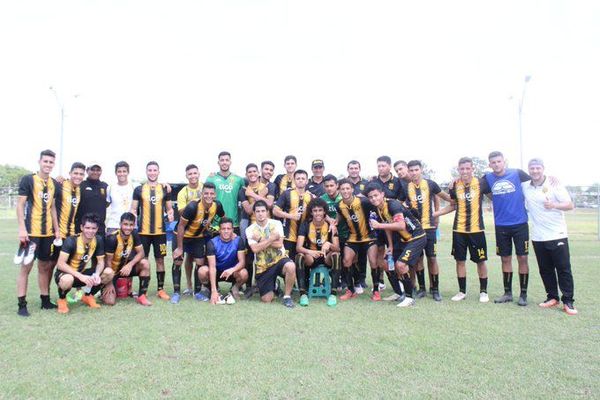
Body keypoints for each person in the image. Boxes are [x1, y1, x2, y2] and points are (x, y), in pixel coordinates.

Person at [523, 158, 577, 315]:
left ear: (543, 169)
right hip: (538, 236)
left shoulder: (554, 184)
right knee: (545, 269)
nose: (535, 171)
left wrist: (554, 205)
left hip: (557, 234)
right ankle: (552, 297)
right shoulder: (525, 186)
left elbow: (570, 205)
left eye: (538, 168)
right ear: (528, 170)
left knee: (563, 269)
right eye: (532, 168)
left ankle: (568, 301)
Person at [434, 157, 489, 303]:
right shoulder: (453, 186)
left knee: (481, 261)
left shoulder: (482, 183)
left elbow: (493, 196)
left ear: (472, 169)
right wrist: (435, 214)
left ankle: (483, 291)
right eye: (462, 169)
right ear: (458, 170)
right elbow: (453, 205)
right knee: (460, 261)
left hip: (477, 230)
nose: (465, 171)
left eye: (467, 168)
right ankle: (462, 291)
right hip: (459, 230)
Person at [480, 151, 531, 306]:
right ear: (489, 164)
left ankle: (523, 294)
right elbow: (473, 186)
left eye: (499, 161)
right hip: (501, 225)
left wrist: (550, 179)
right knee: (505, 258)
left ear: (504, 162)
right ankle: (507, 292)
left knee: (522, 257)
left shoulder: (517, 173)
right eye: (493, 162)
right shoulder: (487, 179)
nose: (496, 164)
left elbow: (535, 181)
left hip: (520, 223)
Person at [364, 182, 425, 307]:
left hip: (416, 237)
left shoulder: (393, 205)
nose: (373, 199)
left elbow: (401, 225)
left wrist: (379, 225)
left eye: (376, 195)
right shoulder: (379, 208)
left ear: (382, 194)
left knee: (401, 265)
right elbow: (388, 227)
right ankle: (398, 292)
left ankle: (409, 297)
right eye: (370, 197)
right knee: (385, 264)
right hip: (402, 240)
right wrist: (390, 246)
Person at [15, 149, 60, 316]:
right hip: (30, 233)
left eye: (51, 162)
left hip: (48, 234)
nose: (48, 164)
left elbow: (53, 208)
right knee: (26, 267)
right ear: (39, 162)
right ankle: (22, 304)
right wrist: (22, 229)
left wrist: (56, 230)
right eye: (45, 161)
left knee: (44, 266)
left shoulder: (54, 183)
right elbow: (20, 205)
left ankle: (45, 301)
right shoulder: (28, 179)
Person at [406, 160, 451, 301]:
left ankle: (435, 289)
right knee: (418, 260)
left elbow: (449, 199)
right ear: (408, 171)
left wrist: (436, 215)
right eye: (411, 170)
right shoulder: (406, 187)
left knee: (432, 258)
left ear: (421, 170)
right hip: (415, 231)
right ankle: (422, 289)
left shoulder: (430, 184)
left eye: (416, 170)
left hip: (430, 228)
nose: (414, 173)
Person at [172, 182, 225, 302]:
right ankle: (176, 293)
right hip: (181, 236)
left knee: (200, 262)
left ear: (215, 195)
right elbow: (180, 226)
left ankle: (197, 292)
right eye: (206, 193)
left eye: (211, 193)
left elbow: (223, 218)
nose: (208, 196)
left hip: (198, 237)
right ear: (202, 193)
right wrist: (179, 248)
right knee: (178, 260)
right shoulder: (192, 206)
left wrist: (218, 229)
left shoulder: (217, 205)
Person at [131, 161, 174, 300]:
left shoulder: (164, 189)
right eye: (150, 170)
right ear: (146, 172)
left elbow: (169, 209)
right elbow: (133, 208)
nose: (152, 172)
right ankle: (142, 290)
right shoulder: (139, 189)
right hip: (143, 232)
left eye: (155, 170)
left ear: (158, 172)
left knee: (160, 260)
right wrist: (132, 222)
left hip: (160, 233)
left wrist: (171, 215)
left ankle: (160, 290)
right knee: (143, 261)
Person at [54, 213, 114, 314]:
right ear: (82, 227)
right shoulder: (71, 241)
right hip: (65, 275)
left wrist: (96, 274)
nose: (90, 231)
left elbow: (100, 262)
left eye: (93, 228)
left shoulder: (98, 240)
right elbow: (60, 264)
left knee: (109, 272)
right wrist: (81, 276)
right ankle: (62, 299)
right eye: (87, 228)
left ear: (97, 228)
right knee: (68, 279)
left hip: (82, 274)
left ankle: (88, 296)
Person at [246, 200, 296, 308]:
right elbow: (255, 249)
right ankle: (276, 285)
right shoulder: (250, 229)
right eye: (258, 211)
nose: (260, 213)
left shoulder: (276, 224)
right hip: (263, 266)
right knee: (267, 299)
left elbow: (279, 244)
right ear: (254, 213)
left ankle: (287, 297)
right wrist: (271, 239)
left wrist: (260, 239)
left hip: (279, 259)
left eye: (263, 211)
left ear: (267, 212)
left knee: (291, 266)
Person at [335, 179, 379, 301]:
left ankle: (376, 290)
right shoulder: (339, 205)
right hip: (353, 237)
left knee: (373, 262)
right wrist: (334, 223)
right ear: (339, 190)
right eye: (342, 189)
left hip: (369, 237)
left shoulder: (363, 201)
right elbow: (339, 217)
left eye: (347, 188)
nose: (345, 191)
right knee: (346, 261)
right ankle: (350, 290)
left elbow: (377, 209)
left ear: (352, 189)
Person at [296, 198, 341, 307]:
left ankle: (333, 294)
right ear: (311, 212)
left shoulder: (331, 226)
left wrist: (329, 245)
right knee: (300, 256)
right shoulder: (305, 224)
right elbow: (298, 247)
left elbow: (338, 248)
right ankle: (303, 293)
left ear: (324, 211)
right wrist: (310, 252)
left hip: (326, 258)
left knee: (336, 255)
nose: (318, 213)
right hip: (312, 257)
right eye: (315, 210)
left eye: (320, 210)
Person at [104, 212, 152, 306]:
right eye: (125, 224)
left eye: (131, 225)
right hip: (111, 273)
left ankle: (142, 296)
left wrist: (130, 265)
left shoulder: (134, 234)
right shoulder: (112, 238)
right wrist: (109, 283)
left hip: (125, 269)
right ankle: (103, 289)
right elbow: (107, 262)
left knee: (145, 263)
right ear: (120, 224)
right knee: (110, 302)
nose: (128, 227)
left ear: (134, 225)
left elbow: (141, 253)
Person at [198, 218, 248, 304]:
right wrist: (214, 291)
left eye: (228, 229)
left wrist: (231, 270)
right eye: (223, 229)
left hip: (232, 272)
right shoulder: (212, 243)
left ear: (232, 229)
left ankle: (235, 288)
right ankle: (212, 288)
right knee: (202, 271)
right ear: (219, 230)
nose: (226, 231)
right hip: (216, 272)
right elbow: (212, 267)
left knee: (244, 273)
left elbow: (242, 262)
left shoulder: (238, 240)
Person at [239, 163, 270, 296]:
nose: (252, 174)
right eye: (249, 172)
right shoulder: (243, 190)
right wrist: (260, 196)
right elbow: (248, 209)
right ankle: (248, 286)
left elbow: (269, 205)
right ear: (246, 174)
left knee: (266, 255)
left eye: (254, 171)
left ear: (258, 173)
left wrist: (253, 194)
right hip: (249, 226)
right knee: (249, 258)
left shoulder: (269, 186)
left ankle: (263, 284)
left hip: (266, 226)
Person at [172, 164, 203, 298]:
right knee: (178, 259)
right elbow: (181, 212)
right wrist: (195, 204)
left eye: (195, 173)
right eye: (190, 174)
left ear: (199, 174)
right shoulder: (182, 192)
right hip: (182, 231)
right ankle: (182, 290)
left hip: (198, 232)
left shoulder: (204, 187)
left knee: (198, 260)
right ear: (186, 176)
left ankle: (198, 290)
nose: (193, 176)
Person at [272, 170, 313, 260]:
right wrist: (291, 216)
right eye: (298, 178)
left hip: (304, 238)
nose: (301, 180)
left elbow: (321, 212)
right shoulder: (287, 194)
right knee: (288, 263)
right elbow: (275, 211)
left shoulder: (310, 196)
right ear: (294, 180)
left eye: (303, 178)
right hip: (288, 236)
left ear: (307, 181)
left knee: (302, 264)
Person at [205, 151, 245, 233]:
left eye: (227, 160)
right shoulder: (211, 178)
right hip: (215, 224)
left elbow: (243, 199)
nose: (224, 162)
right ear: (218, 162)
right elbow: (205, 200)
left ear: (230, 162)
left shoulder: (238, 179)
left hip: (233, 223)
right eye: (222, 160)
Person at [76, 162, 109, 236]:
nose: (95, 172)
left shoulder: (105, 186)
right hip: (83, 228)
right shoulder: (80, 185)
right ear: (87, 171)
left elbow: (108, 203)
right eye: (92, 170)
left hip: (99, 228)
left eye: (98, 170)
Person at [106, 161, 134, 235]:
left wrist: (164, 184)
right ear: (116, 173)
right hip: (113, 225)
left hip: (131, 226)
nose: (122, 174)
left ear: (128, 172)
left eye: (124, 171)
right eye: (119, 171)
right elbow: (106, 204)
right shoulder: (110, 188)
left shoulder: (134, 187)